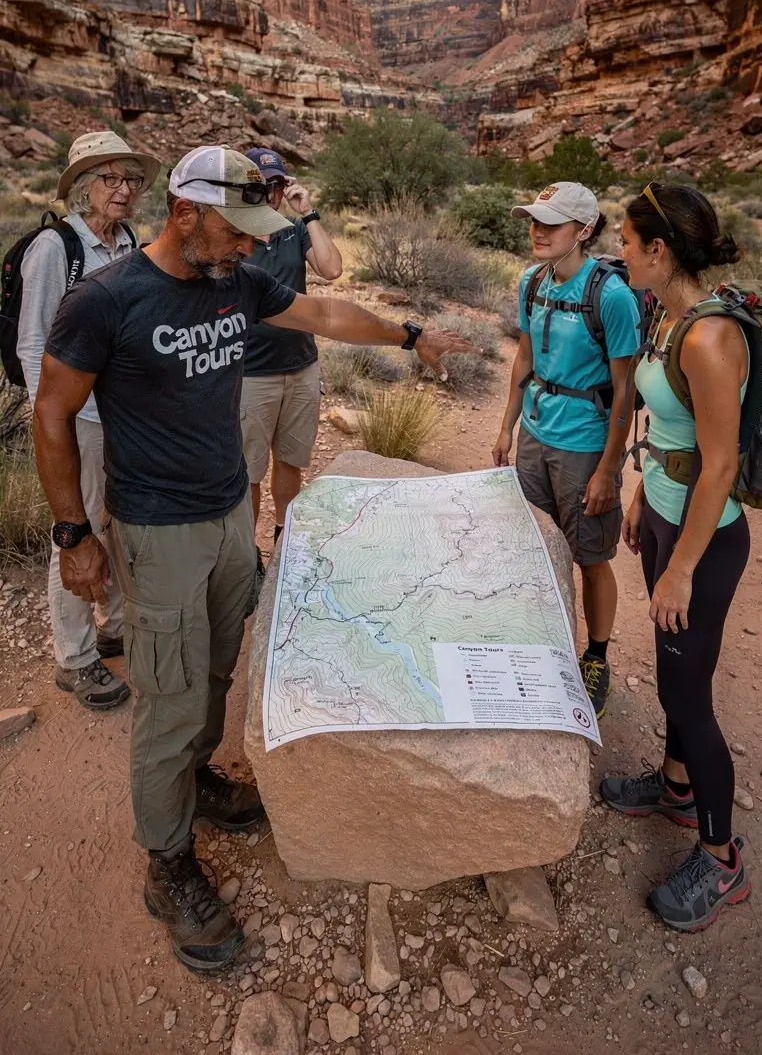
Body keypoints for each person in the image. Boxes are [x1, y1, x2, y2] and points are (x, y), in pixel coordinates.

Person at [32, 145, 472, 973]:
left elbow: (322, 316)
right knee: (166, 692)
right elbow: (51, 414)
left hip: (232, 510)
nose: (248, 248)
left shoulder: (234, 280)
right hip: (159, 528)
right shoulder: (107, 299)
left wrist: (411, 333)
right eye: (238, 231)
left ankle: (195, 780)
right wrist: (72, 535)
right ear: (184, 212)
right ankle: (166, 864)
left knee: (218, 667)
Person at [601, 181, 751, 932]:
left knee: (689, 697)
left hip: (705, 540)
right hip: (664, 517)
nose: (618, 252)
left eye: (626, 242)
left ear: (659, 251)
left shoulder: (711, 337)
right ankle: (675, 786)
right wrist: (638, 495)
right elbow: (673, 430)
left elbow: (720, 466)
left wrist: (682, 567)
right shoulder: (669, 315)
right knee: (670, 674)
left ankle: (724, 861)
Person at [17, 130, 159, 710]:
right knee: (76, 532)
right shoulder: (55, 249)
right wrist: (53, 421)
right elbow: (33, 345)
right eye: (110, 179)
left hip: (125, 415)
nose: (124, 190)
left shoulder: (127, 241)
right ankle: (74, 660)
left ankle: (118, 627)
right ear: (81, 187)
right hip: (80, 417)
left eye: (131, 179)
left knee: (121, 522)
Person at [492, 182, 641, 717]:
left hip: (583, 445)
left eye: (550, 224)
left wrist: (608, 469)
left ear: (583, 231)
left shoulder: (613, 297)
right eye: (533, 220)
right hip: (535, 434)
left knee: (592, 557)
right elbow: (524, 358)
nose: (537, 231)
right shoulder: (532, 282)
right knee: (536, 545)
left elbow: (624, 391)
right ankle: (542, 641)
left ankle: (595, 656)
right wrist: (507, 426)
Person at [240, 148, 342, 545]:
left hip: (300, 366)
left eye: (278, 184)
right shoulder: (236, 236)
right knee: (248, 471)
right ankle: (247, 554)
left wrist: (309, 213)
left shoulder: (293, 231)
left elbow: (332, 269)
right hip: (250, 372)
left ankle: (284, 539)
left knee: (290, 461)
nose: (272, 193)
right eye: (263, 185)